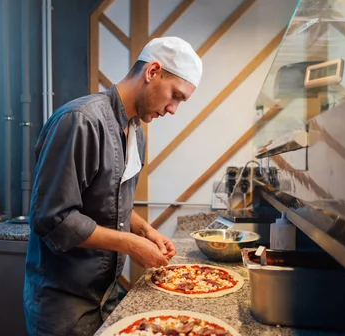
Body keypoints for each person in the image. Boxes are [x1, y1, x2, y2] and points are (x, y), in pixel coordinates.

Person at [23, 36, 203, 336]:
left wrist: (145, 230)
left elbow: (109, 201)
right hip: (64, 302)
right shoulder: (80, 120)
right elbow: (53, 218)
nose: (173, 109)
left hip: (105, 295)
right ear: (153, 72)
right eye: (175, 95)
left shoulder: (137, 133)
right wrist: (131, 244)